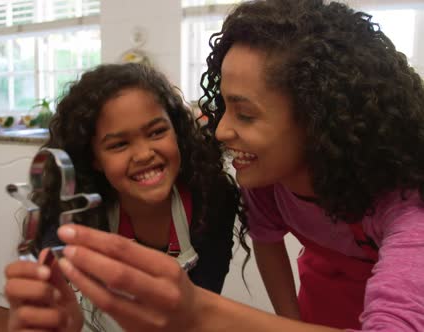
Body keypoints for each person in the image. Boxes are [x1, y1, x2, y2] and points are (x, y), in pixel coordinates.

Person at [49, 0, 424, 331]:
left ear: (321, 119)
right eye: (224, 108)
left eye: (244, 114)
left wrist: (197, 312)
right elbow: (268, 243)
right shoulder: (264, 182)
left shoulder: (407, 208)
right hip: (321, 299)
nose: (221, 130)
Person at [4, 63, 245, 331]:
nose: (143, 154)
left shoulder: (211, 198)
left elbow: (206, 301)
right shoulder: (75, 209)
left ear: (176, 130)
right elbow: (46, 296)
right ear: (94, 158)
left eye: (156, 132)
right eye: (119, 144)